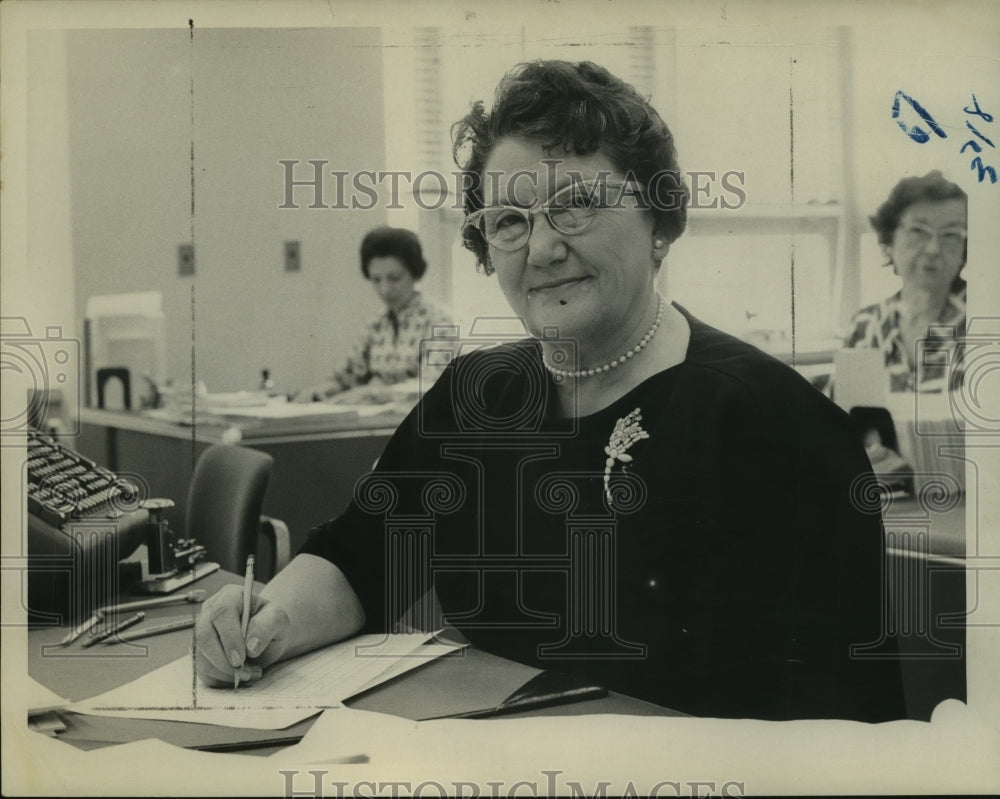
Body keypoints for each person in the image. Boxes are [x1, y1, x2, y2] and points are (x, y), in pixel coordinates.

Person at [196, 60, 906, 722]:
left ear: (659, 221)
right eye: (509, 221)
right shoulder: (474, 397)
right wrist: (269, 619)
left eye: (576, 205)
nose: (541, 249)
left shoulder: (777, 424)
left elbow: (845, 718)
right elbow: (360, 557)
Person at [298, 226, 453, 404]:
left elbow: (431, 387)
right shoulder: (375, 325)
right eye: (376, 280)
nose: (384, 289)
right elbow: (347, 376)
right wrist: (321, 391)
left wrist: (373, 393)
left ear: (415, 273)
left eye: (394, 278)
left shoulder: (439, 322)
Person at [844, 172, 968, 393]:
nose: (933, 249)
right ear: (889, 240)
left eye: (950, 234)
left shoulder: (986, 322)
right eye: (918, 231)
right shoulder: (866, 325)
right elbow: (843, 410)